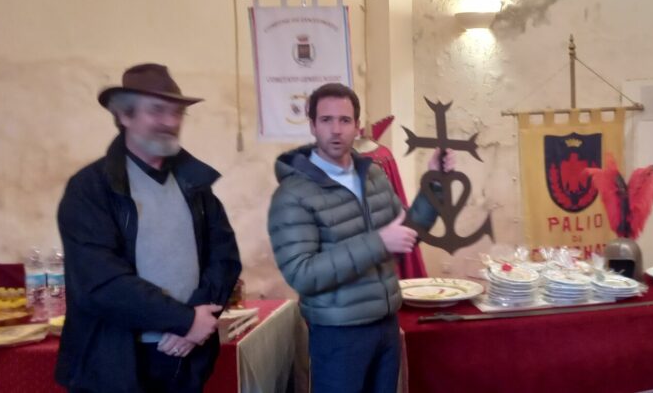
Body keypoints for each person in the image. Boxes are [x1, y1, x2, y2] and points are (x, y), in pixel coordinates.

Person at [55, 63, 242, 393]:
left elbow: (224, 258)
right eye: (157, 110)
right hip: (115, 361)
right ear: (124, 116)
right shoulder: (90, 188)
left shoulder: (194, 184)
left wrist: (197, 320)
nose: (170, 122)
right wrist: (184, 320)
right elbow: (101, 282)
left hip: (184, 357)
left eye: (177, 112)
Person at [268, 83, 452, 393]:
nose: (336, 130)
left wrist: (435, 182)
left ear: (357, 126)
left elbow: (406, 232)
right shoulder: (293, 195)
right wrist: (379, 242)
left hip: (385, 325)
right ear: (312, 125)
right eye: (326, 120)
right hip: (338, 333)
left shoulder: (373, 176)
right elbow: (302, 273)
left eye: (344, 120)